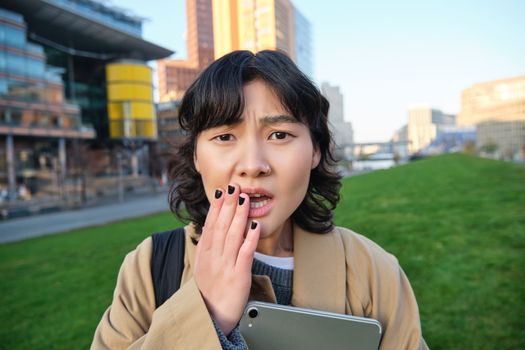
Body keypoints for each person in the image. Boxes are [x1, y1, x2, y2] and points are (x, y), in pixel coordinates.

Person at [91, 50, 428, 349]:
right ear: (196, 156)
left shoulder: (373, 270)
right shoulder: (150, 267)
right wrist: (207, 313)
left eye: (279, 135)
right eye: (224, 136)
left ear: (315, 150)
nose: (253, 165)